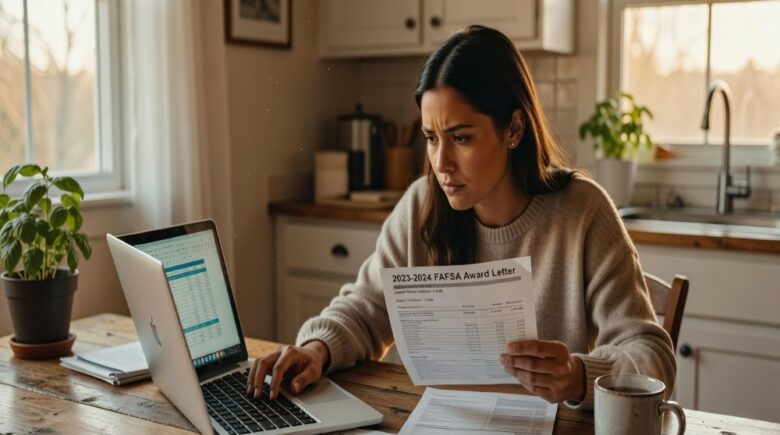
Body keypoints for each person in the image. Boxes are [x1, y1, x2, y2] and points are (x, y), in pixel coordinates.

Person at [247, 25, 676, 410]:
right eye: (432, 138)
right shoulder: (420, 206)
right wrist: (318, 348)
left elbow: (651, 355)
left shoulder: (582, 212)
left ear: (513, 130)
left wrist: (581, 374)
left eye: (461, 138)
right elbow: (364, 310)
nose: (441, 162)